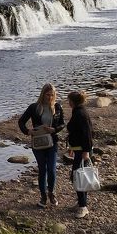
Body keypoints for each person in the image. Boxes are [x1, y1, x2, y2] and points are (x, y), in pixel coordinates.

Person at [18, 83, 65, 208]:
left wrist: (54, 130)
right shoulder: (34, 107)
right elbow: (21, 121)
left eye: (52, 95)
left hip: (52, 142)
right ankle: (43, 196)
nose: (50, 97)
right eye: (47, 95)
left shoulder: (57, 107)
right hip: (38, 143)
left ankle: (52, 193)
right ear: (42, 94)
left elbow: (62, 124)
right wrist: (28, 131)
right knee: (42, 169)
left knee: (51, 169)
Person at [66, 90, 93, 218]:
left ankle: (83, 206)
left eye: (69, 100)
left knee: (78, 177)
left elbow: (87, 134)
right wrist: (71, 147)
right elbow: (75, 133)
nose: (68, 102)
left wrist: (86, 152)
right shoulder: (77, 111)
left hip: (83, 151)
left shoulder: (81, 114)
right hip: (78, 149)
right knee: (79, 176)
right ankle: (81, 203)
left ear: (73, 101)